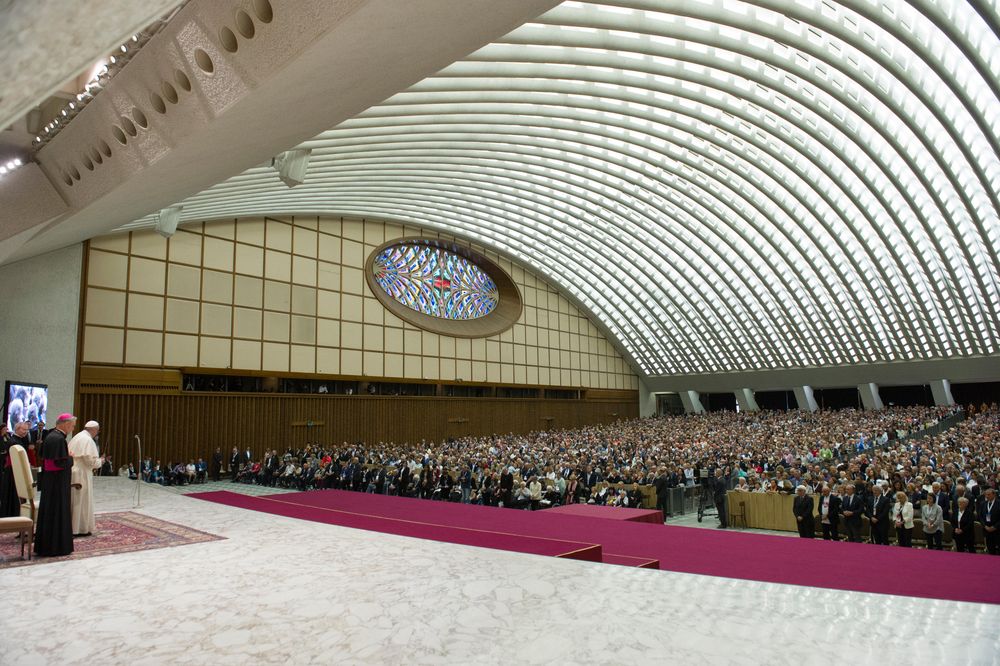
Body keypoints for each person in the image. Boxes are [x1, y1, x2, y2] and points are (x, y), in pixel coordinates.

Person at [35, 413, 76, 557]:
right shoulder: (59, 439)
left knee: (49, 512)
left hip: (49, 481)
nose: (72, 428)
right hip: (57, 484)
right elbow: (60, 462)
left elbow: (45, 457)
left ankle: (45, 545)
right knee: (57, 512)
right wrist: (71, 457)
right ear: (65, 424)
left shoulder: (50, 436)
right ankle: (57, 546)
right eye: (72, 425)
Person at [68, 420, 103, 536]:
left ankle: (72, 527)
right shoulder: (88, 440)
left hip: (74, 471)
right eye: (97, 431)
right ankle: (80, 528)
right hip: (82, 473)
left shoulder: (77, 436)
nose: (97, 433)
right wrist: (100, 461)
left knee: (75, 500)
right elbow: (90, 461)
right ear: (93, 430)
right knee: (81, 501)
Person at [980, 487, 999, 555]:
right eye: (986, 495)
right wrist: (985, 526)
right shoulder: (983, 504)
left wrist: (994, 527)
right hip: (987, 529)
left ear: (994, 495)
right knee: (990, 548)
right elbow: (981, 516)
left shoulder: (998, 503)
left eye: (989, 494)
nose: (987, 496)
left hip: (997, 530)